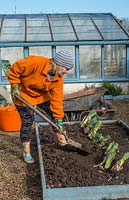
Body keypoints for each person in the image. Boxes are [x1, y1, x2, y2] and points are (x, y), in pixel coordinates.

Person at [8, 49, 74, 164]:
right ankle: (26, 151)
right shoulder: (35, 62)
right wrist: (14, 85)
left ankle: (62, 139)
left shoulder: (58, 79)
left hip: (41, 96)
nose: (67, 72)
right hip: (23, 95)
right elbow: (15, 69)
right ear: (58, 64)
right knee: (28, 121)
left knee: (55, 115)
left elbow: (57, 100)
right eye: (66, 68)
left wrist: (58, 119)